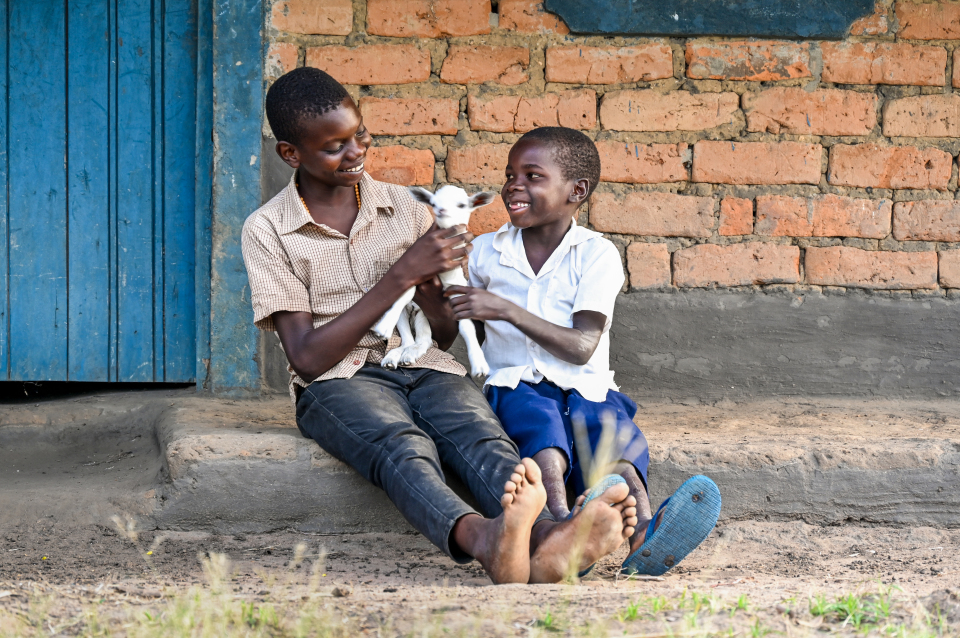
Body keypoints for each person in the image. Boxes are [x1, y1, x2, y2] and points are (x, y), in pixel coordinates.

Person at [240, 68, 638, 585]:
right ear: (292, 154)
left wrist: (433, 298)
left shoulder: (406, 208)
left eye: (360, 135)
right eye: (335, 146)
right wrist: (401, 274)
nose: (356, 152)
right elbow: (307, 357)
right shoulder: (268, 229)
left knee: (482, 438)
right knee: (402, 444)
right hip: (339, 380)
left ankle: (545, 540)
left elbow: (442, 334)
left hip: (425, 363)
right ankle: (483, 538)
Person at [447, 127, 721, 576]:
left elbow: (581, 347)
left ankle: (644, 534)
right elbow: (458, 323)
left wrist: (504, 309)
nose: (513, 185)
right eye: (509, 174)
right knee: (541, 429)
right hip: (515, 382)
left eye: (532, 175)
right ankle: (560, 527)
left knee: (610, 433)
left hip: (587, 385)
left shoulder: (596, 254)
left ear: (577, 190)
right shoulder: (483, 253)